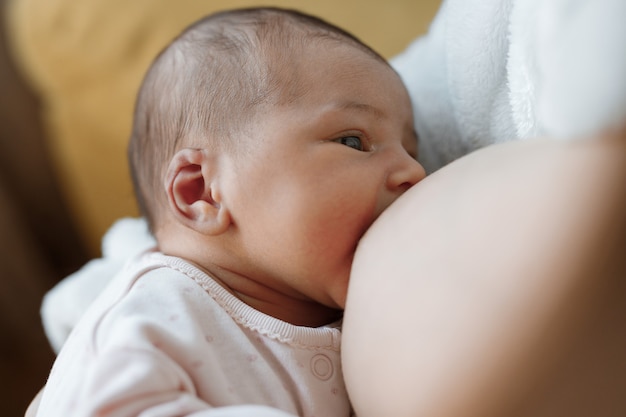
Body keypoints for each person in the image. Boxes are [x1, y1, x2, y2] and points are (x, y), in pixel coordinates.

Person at [32, 7, 425, 417]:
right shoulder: (156, 316)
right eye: (352, 141)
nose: (414, 172)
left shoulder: (354, 314)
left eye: (412, 151)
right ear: (201, 192)